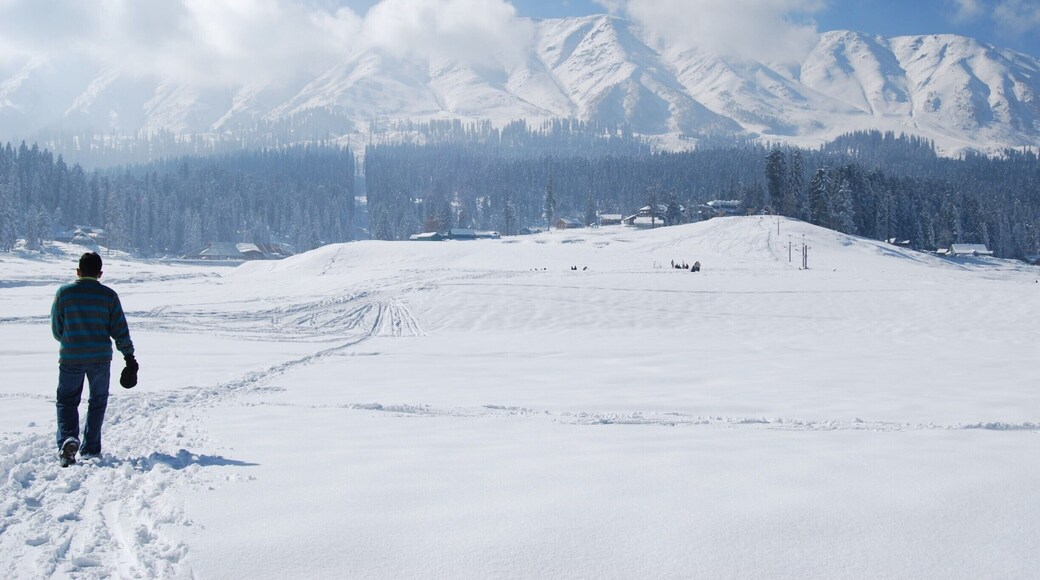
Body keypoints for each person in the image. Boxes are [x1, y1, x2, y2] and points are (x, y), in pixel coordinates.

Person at [51, 252, 138, 467]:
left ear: (78, 271)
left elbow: (57, 329)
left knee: (67, 401)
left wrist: (72, 339)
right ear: (100, 273)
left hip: (71, 356)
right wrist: (129, 356)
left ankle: (68, 440)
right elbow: (119, 329)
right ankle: (91, 448)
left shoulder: (64, 294)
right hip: (100, 358)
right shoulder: (108, 296)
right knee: (97, 401)